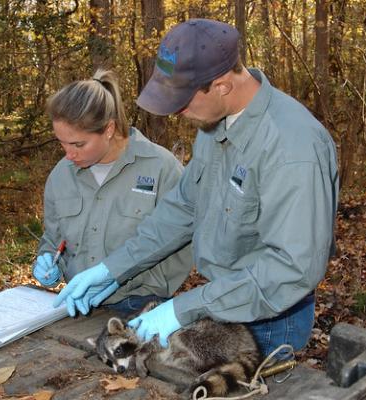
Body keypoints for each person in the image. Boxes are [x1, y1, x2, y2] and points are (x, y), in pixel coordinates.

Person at [54, 19, 339, 357]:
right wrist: (111, 270)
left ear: (221, 85)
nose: (177, 112)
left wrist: (182, 309)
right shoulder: (213, 126)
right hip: (221, 305)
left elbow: (291, 268)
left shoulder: (293, 148)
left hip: (271, 318)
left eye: (183, 102)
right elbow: (183, 209)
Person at [32, 69, 192, 316]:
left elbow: (179, 238)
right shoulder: (61, 175)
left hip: (142, 308)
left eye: (78, 144)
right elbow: (54, 240)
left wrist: (116, 275)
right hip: (75, 308)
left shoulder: (162, 168)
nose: (68, 154)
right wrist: (46, 262)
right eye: (61, 143)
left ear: (108, 129)